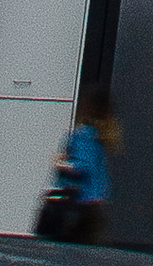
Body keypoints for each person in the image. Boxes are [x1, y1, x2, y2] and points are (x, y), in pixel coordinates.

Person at [38, 83, 118, 241]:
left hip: (77, 204)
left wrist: (60, 163)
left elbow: (82, 166)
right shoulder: (103, 135)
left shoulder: (84, 133)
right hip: (95, 203)